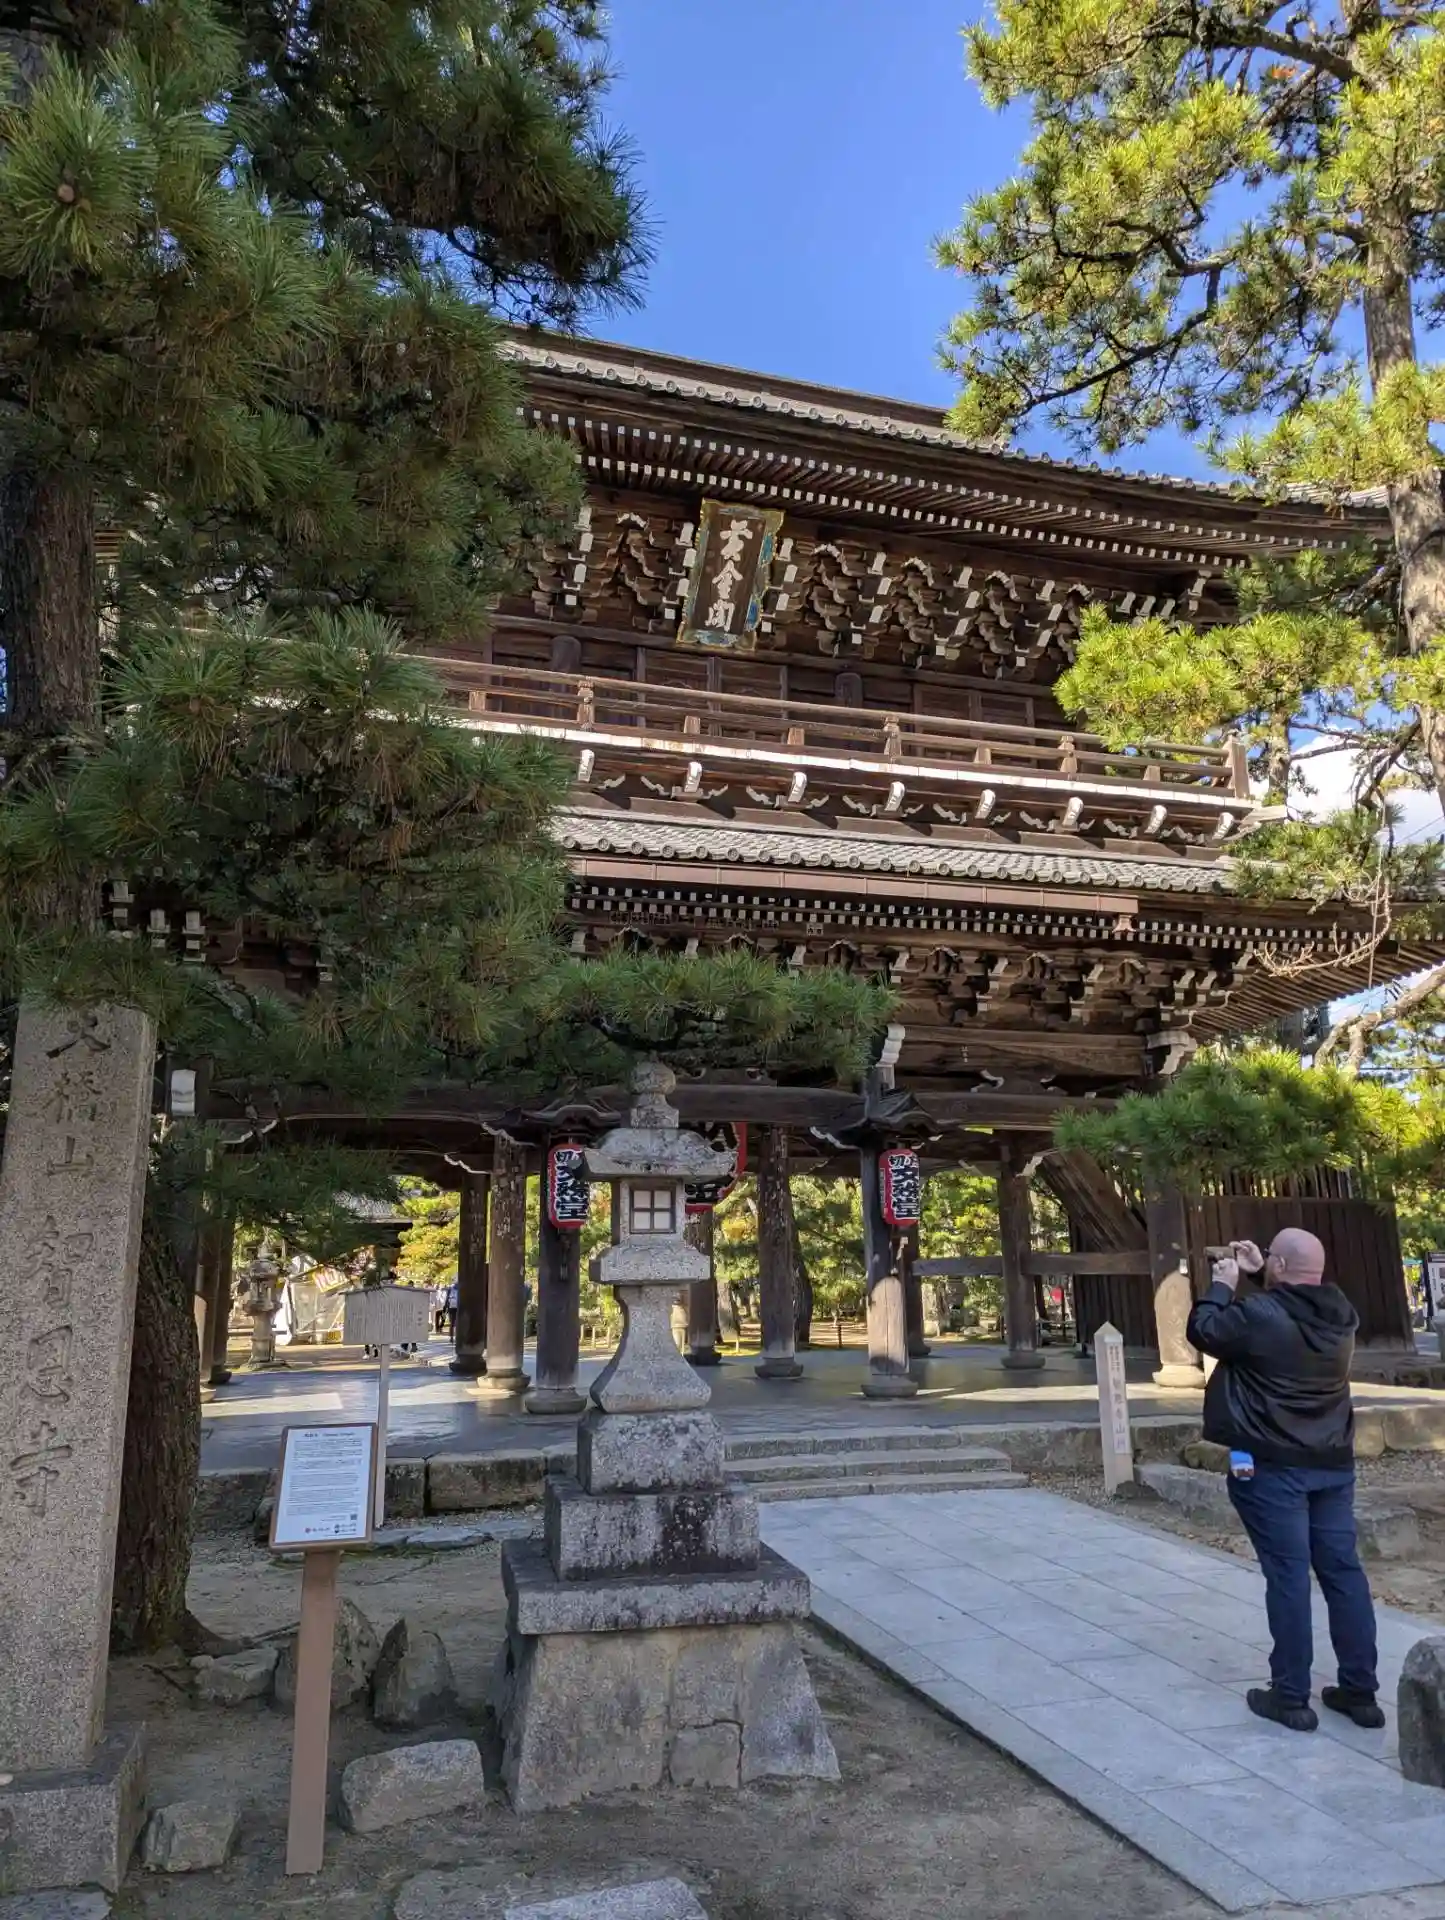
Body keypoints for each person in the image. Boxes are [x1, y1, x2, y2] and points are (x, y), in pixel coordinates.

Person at [1187, 1229, 1382, 1735]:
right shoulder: (1340, 1315)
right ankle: (1360, 1692)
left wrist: (1225, 1283)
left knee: (1289, 1575)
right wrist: (1262, 1274)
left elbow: (1205, 1330)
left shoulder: (1258, 1315)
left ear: (1278, 1265)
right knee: (1342, 1572)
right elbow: (1286, 1316)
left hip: (1270, 1464)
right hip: (1332, 1463)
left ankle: (1291, 1695)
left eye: (1270, 1257)